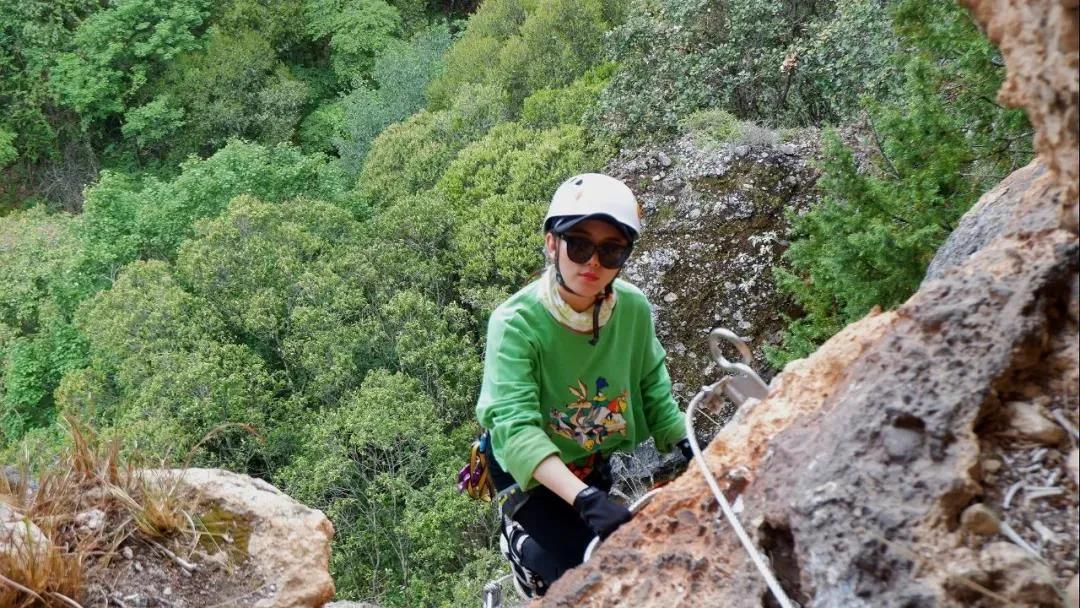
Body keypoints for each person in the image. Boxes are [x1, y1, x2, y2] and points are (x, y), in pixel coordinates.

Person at [475, 173, 692, 597]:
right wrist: (585, 500)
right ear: (552, 243)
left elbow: (652, 382)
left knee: (604, 551)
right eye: (579, 244)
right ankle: (521, 547)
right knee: (585, 571)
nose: (592, 262)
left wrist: (687, 443)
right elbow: (515, 429)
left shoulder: (631, 309)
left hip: (590, 453)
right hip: (529, 471)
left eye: (610, 250)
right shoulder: (515, 323)